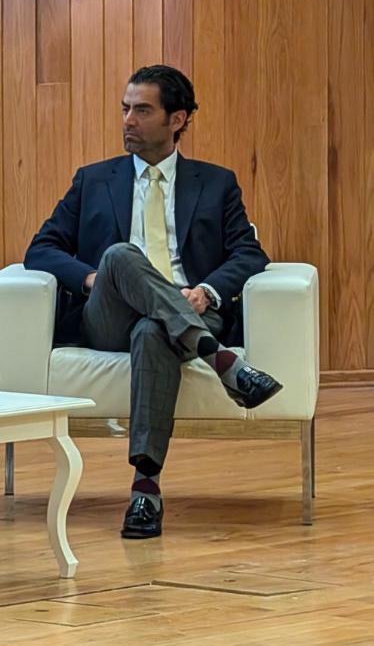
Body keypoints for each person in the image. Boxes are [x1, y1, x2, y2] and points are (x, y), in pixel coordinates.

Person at [24, 65, 283, 539]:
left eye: (142, 110)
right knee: (121, 256)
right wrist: (91, 280)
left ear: (177, 119)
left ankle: (146, 488)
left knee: (153, 331)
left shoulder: (216, 182)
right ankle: (219, 359)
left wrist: (205, 291)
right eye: (125, 108)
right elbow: (40, 249)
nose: (127, 120)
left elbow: (249, 252)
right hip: (108, 316)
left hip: (183, 317)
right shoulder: (94, 180)